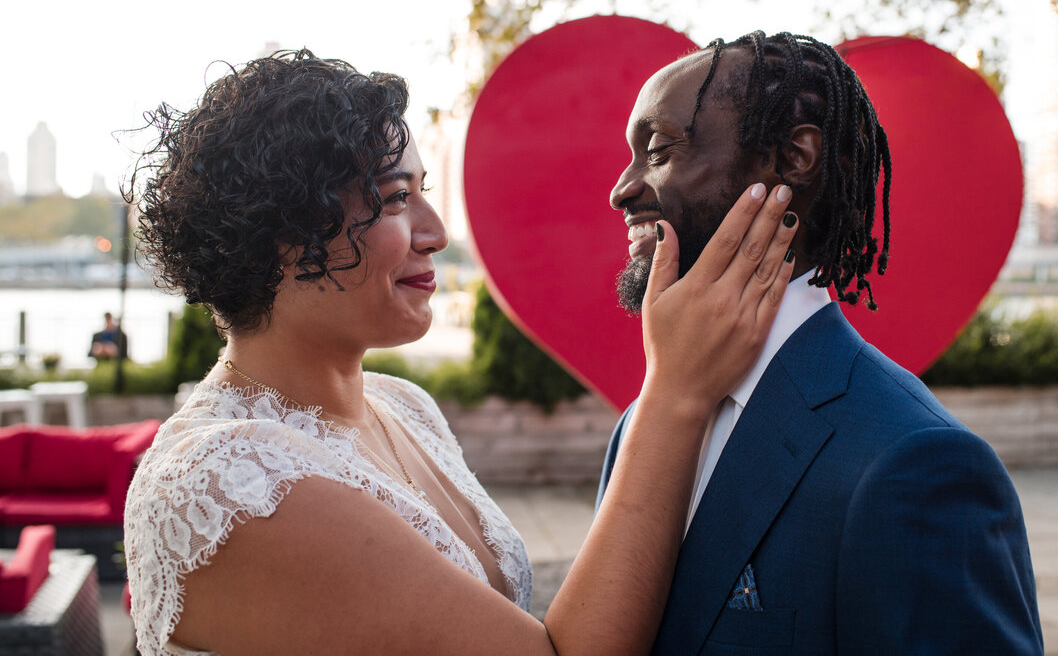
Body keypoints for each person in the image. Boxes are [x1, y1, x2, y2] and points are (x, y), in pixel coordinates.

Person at [122, 49, 798, 656]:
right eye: (394, 200)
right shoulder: (231, 480)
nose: (436, 233)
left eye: (425, 194)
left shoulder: (402, 405)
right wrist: (675, 393)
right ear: (281, 234)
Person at [601, 31, 1043, 654]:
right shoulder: (640, 426)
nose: (622, 189)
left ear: (793, 158)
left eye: (661, 150)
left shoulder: (917, 465)